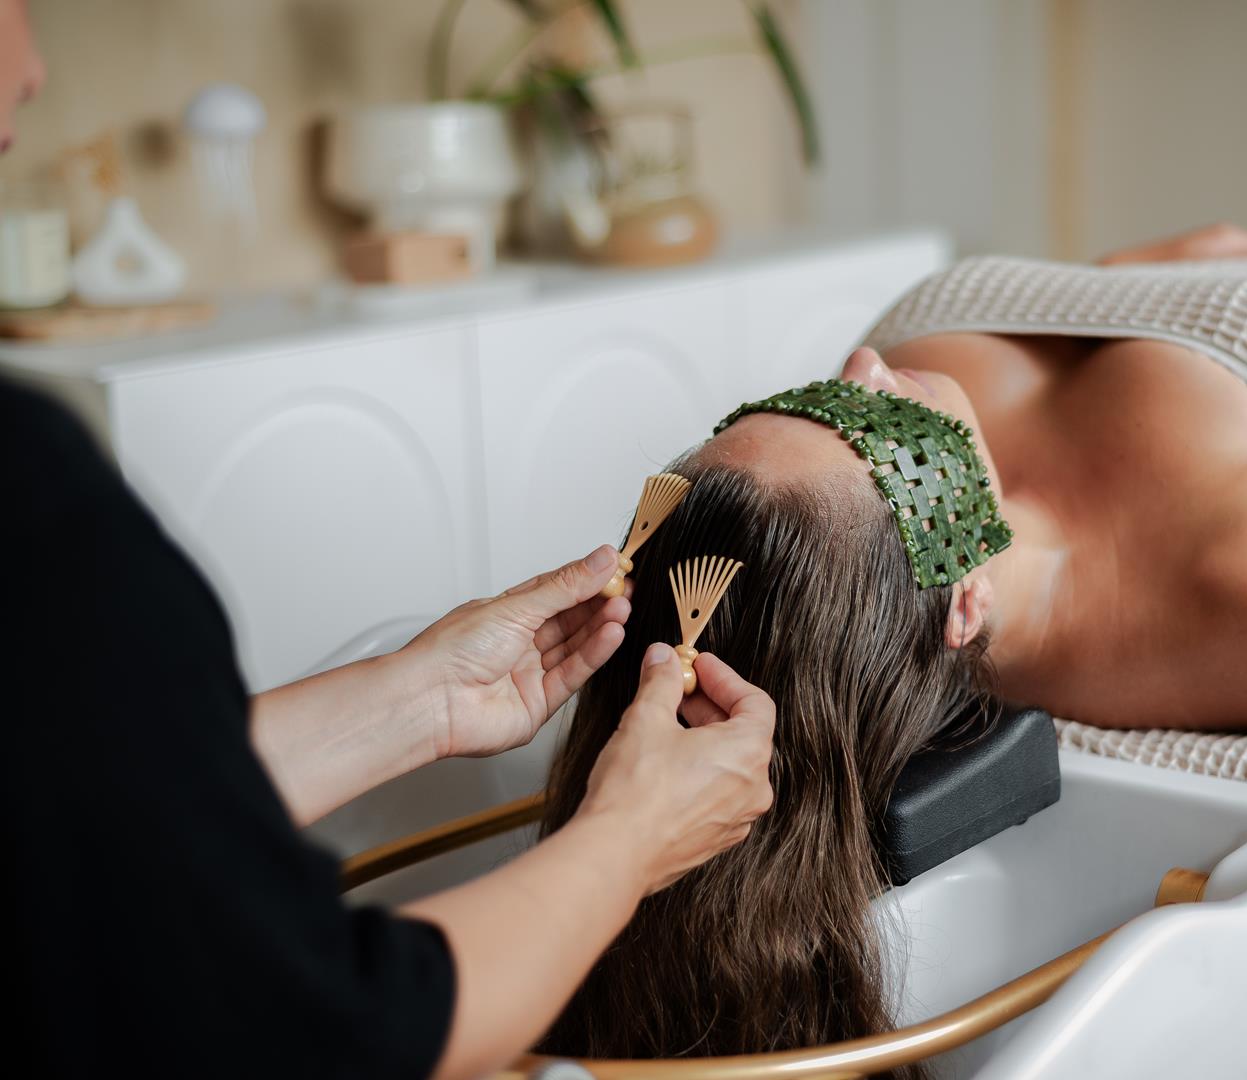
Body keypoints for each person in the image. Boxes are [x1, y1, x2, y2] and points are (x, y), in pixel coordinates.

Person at [530, 226, 1247, 1065]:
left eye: (805, 402)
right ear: (961, 606)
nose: (865, 364)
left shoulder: (857, 520)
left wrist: (1182, 261)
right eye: (883, 435)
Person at [2, 4, 775, 1075]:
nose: (35, 69)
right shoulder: (31, 497)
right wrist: (629, 839)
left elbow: (86, 810)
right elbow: (312, 1032)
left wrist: (423, 700)